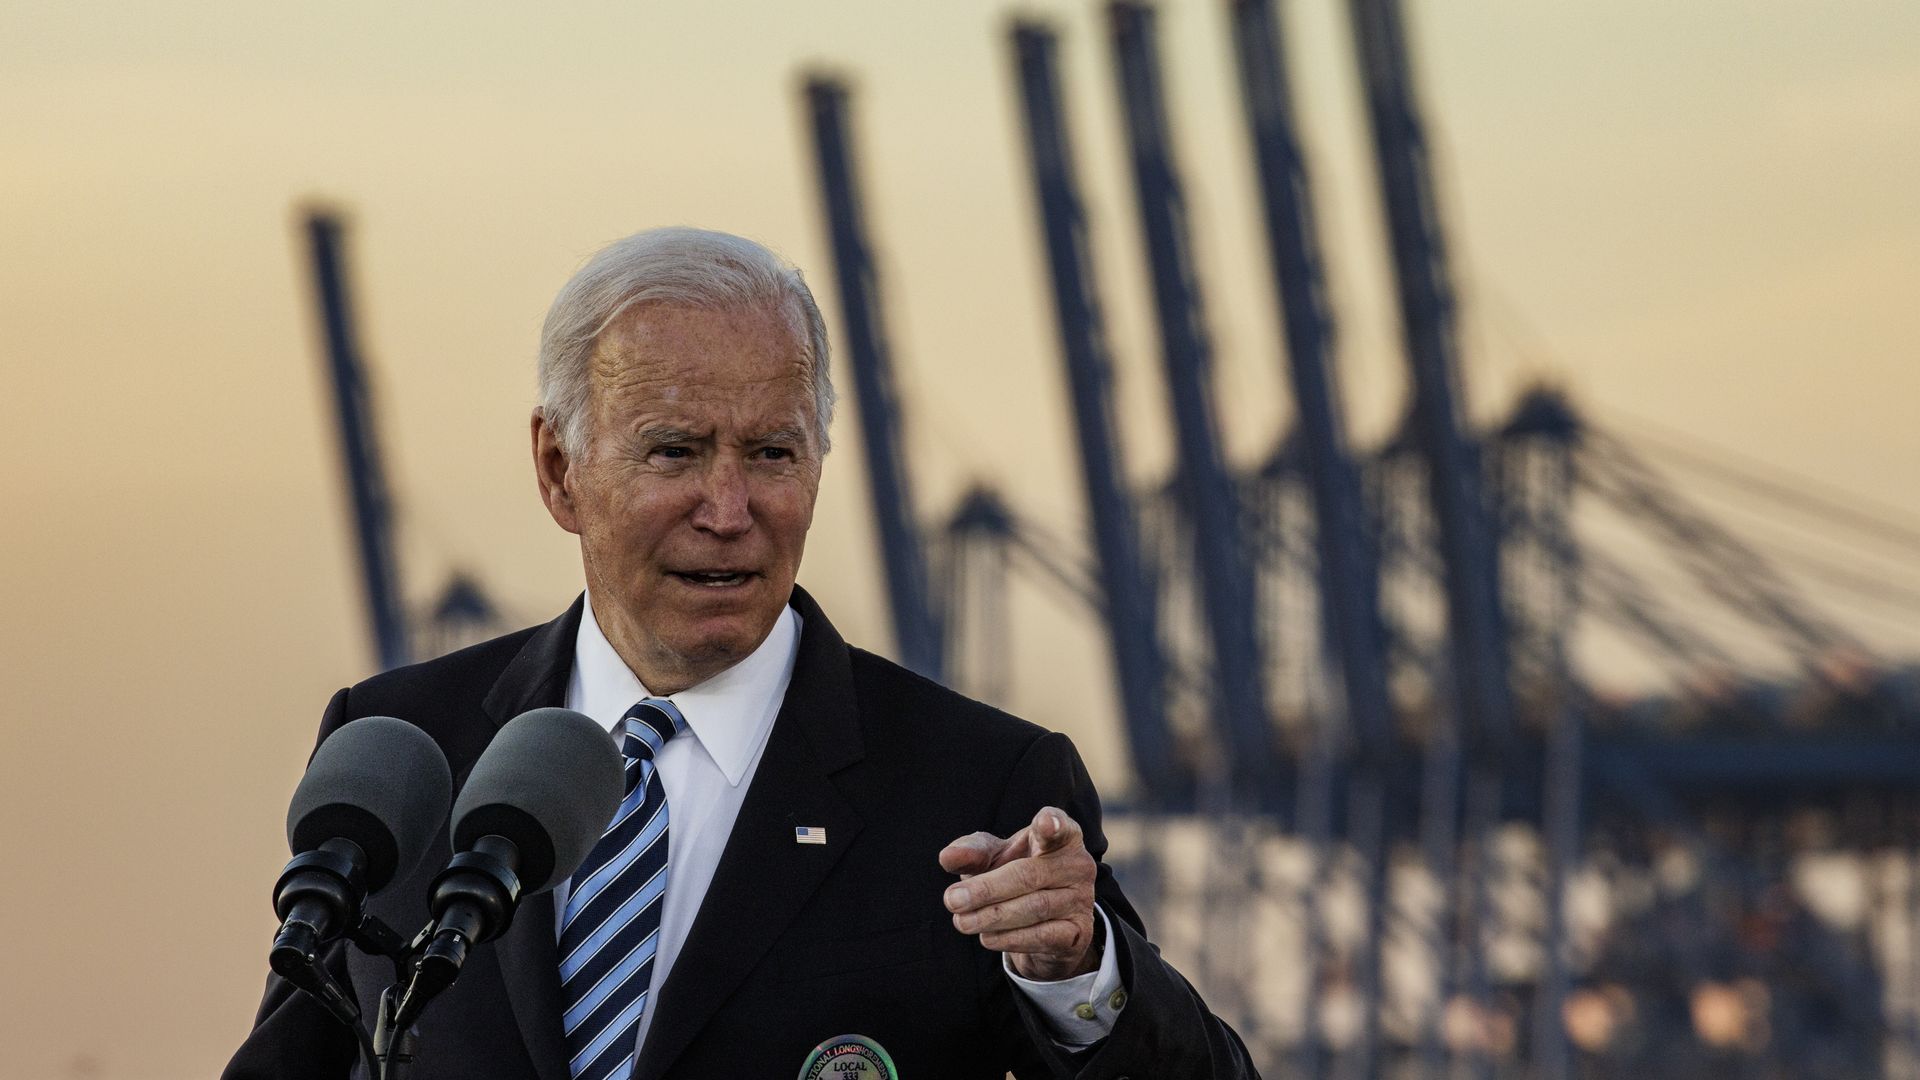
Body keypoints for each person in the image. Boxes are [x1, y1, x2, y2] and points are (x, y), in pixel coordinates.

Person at [226, 227, 1258, 1079]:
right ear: (558, 469)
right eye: (674, 452)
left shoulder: (978, 785)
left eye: (772, 453)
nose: (730, 511)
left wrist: (1078, 974)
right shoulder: (402, 750)